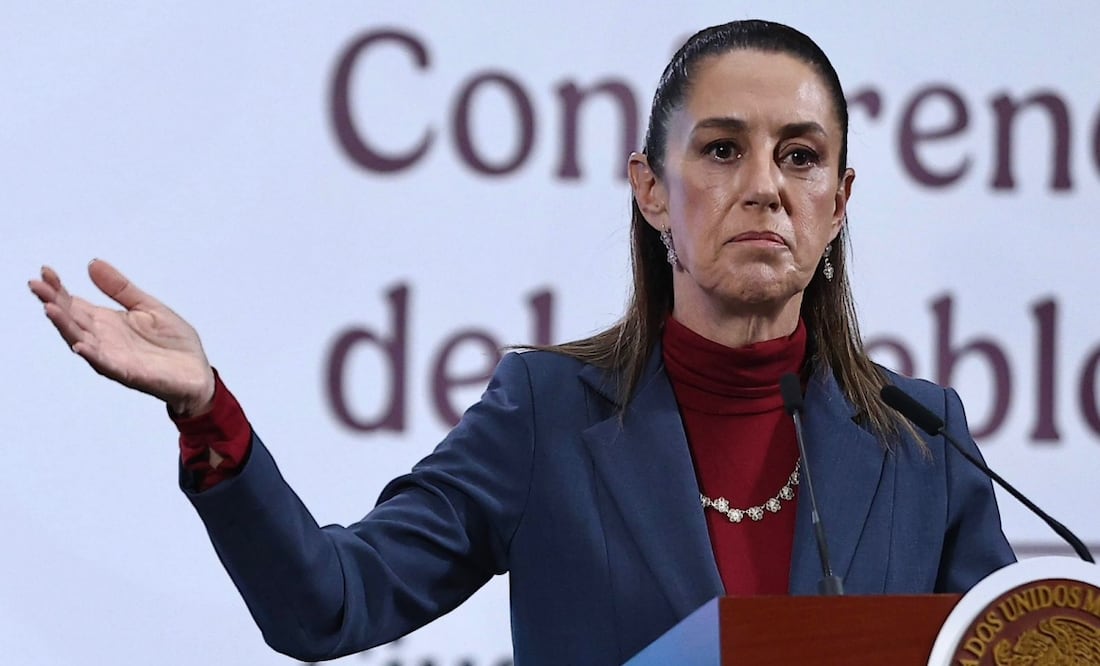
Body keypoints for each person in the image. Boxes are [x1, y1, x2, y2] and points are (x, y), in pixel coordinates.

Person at [29, 19, 1014, 666]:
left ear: (837, 203)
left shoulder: (922, 438)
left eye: (799, 157)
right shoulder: (547, 414)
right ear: (648, 189)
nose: (763, 185)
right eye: (721, 150)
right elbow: (327, 605)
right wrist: (210, 412)